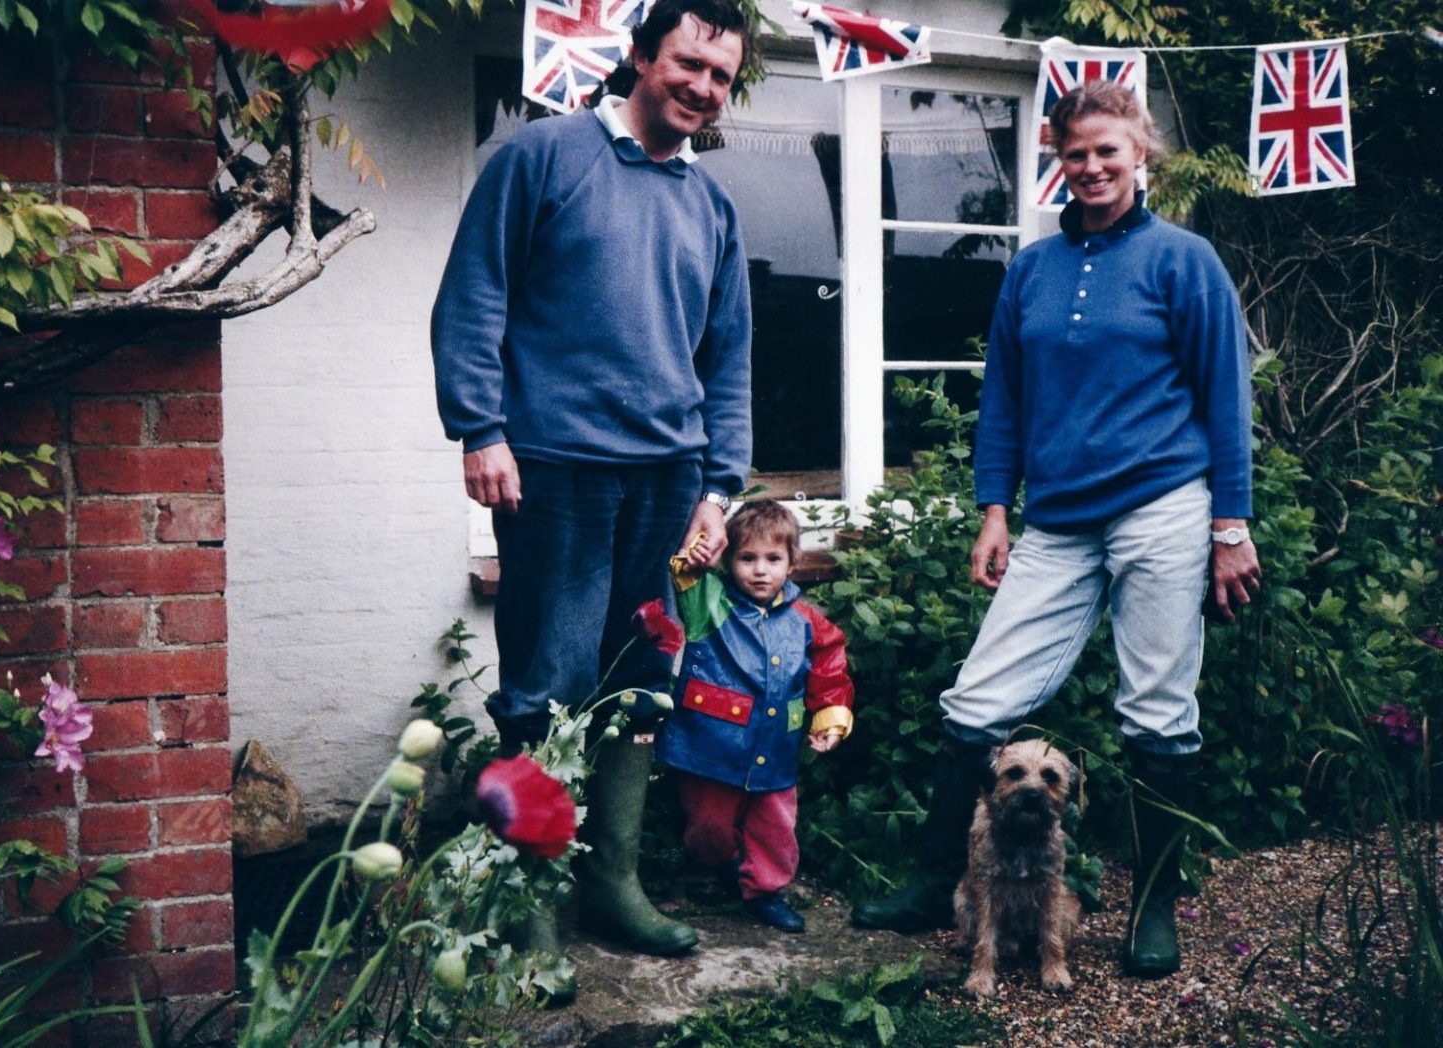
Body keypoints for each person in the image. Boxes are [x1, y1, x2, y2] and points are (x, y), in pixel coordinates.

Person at [850, 81, 1262, 979]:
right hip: (1061, 521)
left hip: (1163, 506)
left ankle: (1154, 902)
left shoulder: (1183, 261)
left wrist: (1232, 526)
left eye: (1108, 151)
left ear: (1141, 153)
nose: (1091, 168)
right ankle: (933, 882)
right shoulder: (1031, 271)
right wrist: (995, 509)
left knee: (1156, 710)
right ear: (1057, 160)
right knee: (977, 701)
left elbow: (1228, 398)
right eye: (1075, 154)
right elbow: (1004, 398)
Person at [429, 0, 755, 959]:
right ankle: (524, 904)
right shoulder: (542, 158)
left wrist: (719, 487)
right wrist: (479, 429)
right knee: (547, 688)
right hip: (556, 474)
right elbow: (473, 296)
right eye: (688, 64)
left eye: (721, 76)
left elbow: (729, 358)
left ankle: (611, 884)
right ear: (642, 57)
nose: (702, 87)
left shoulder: (712, 204)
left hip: (668, 479)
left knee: (642, 684)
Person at [656, 500, 854, 933]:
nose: (760, 570)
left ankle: (765, 889)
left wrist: (829, 716)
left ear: (792, 562)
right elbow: (686, 576)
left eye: (772, 559)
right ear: (729, 560)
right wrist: (697, 551)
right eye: (747, 558)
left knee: (776, 825)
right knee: (707, 827)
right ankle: (724, 864)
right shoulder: (709, 603)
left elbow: (829, 661)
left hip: (776, 745)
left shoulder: (805, 619)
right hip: (711, 746)